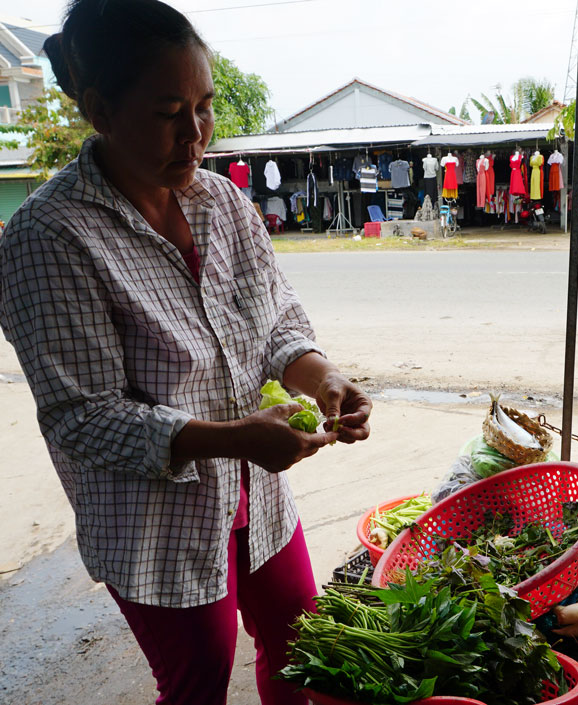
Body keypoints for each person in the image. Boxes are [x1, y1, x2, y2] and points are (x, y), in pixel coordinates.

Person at [0, 1, 371, 703]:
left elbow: (275, 321)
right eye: (170, 111)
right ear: (102, 108)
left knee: (302, 644)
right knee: (198, 677)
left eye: (204, 107)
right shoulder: (47, 236)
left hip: (255, 493)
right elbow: (81, 417)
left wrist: (322, 376)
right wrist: (235, 438)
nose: (195, 133)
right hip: (152, 520)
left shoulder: (223, 205)